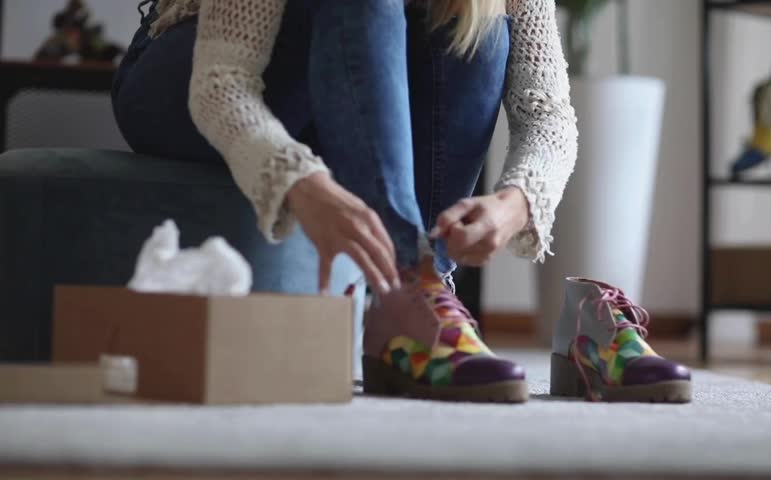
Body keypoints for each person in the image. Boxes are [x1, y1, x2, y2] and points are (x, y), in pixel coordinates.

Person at [113, 0, 578, 404]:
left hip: (338, 88)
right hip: (190, 72)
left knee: (479, 26)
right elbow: (220, 84)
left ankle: (423, 285)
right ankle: (407, 278)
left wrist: (515, 203)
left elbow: (548, 115)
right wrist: (298, 181)